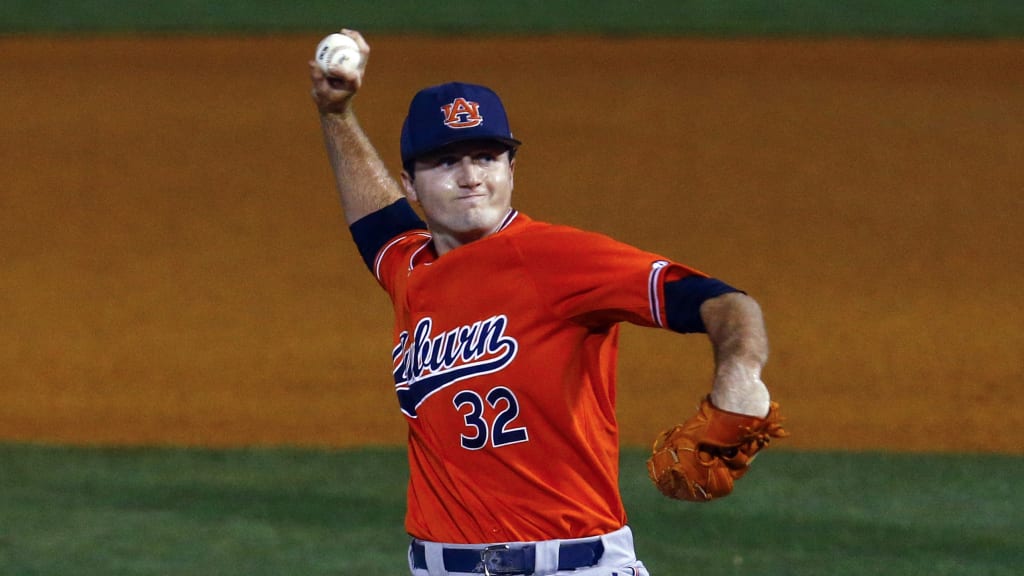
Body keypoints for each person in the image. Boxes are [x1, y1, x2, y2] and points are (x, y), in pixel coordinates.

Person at [309, 29, 784, 576]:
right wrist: (335, 112)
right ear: (410, 186)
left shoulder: (559, 258)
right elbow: (375, 221)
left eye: (487, 157)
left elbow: (721, 301)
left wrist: (741, 374)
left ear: (511, 169)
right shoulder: (409, 268)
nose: (471, 179)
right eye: (445, 163)